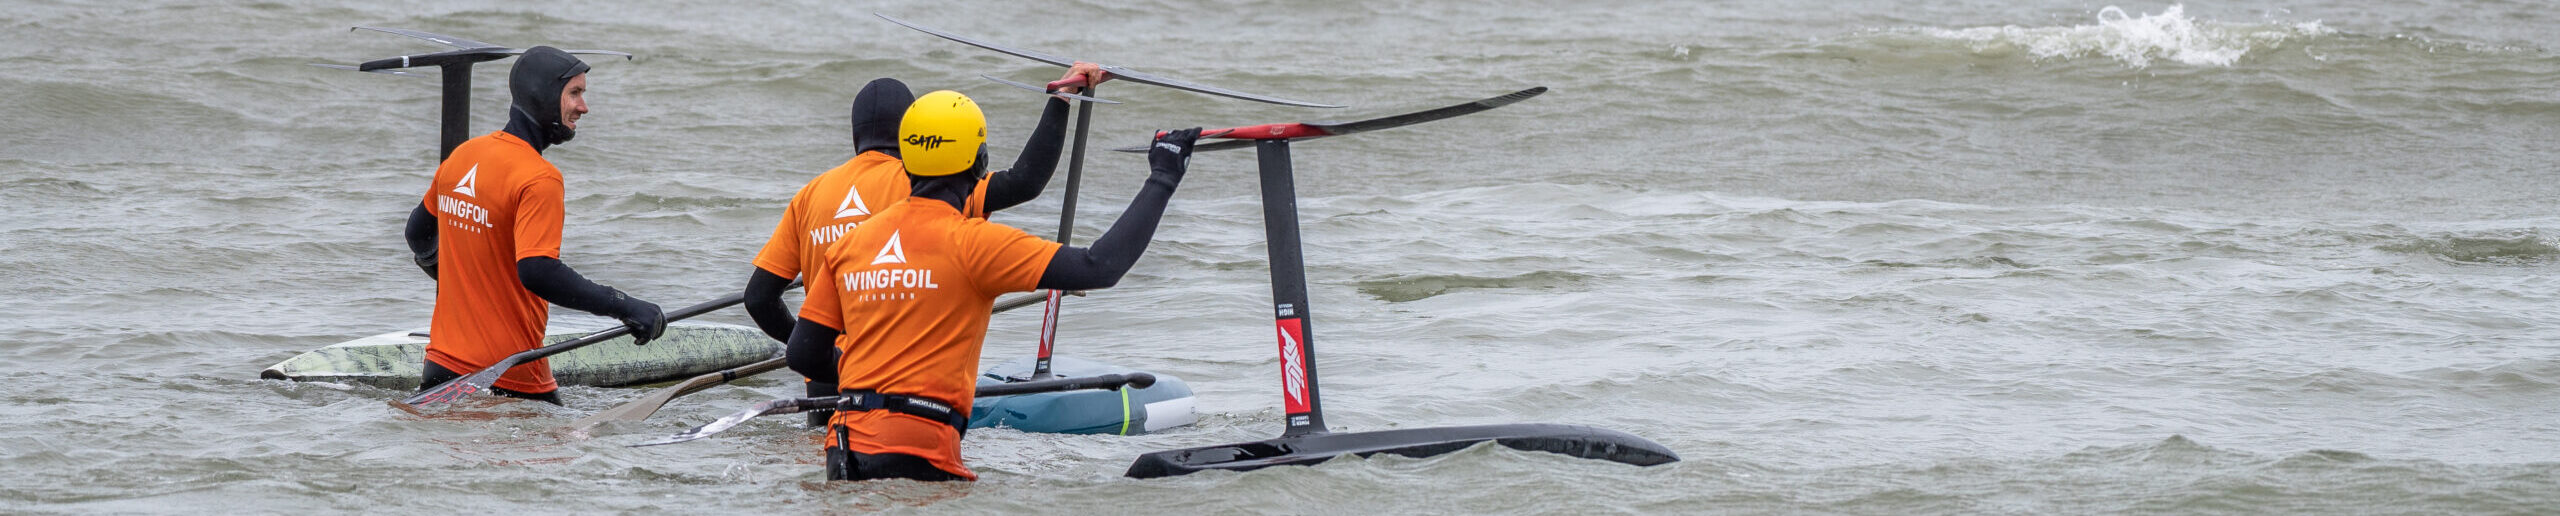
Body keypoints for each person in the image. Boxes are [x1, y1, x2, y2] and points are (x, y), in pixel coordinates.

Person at [781, 89, 1202, 481]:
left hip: (844, 447)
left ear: (907, 163)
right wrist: (1163, 177)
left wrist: (871, 377)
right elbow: (1100, 266)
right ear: (981, 163)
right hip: (919, 452)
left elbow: (803, 352)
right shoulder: (975, 244)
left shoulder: (851, 245)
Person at [751, 66, 1108, 425]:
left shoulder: (810, 196)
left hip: (825, 383)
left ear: (855, 132)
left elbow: (760, 298)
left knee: (832, 464)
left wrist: (818, 349)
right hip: (903, 385)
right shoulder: (929, 182)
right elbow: (1025, 181)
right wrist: (1062, 98)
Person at [401, 46, 668, 404]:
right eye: (574, 93)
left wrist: (467, 283)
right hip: (511, 376)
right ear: (542, 94)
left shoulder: (464, 155)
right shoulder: (539, 178)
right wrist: (624, 305)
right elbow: (538, 271)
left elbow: (417, 235)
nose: (583, 107)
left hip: (441, 369)